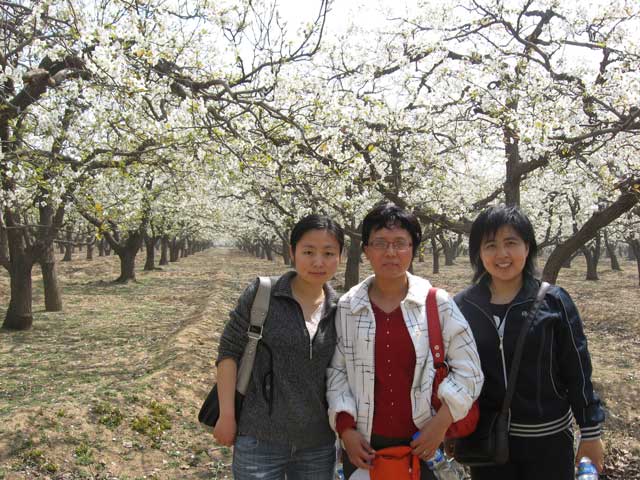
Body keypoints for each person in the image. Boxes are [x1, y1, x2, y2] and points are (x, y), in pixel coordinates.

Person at [327, 202, 483, 480]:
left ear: (413, 249)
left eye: (400, 243)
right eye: (380, 243)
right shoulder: (348, 306)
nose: (390, 252)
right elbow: (337, 371)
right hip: (365, 448)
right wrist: (346, 429)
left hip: (425, 445)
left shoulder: (437, 303)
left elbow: (469, 370)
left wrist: (441, 423)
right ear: (366, 250)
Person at [454, 204, 605, 480]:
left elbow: (578, 371)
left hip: (549, 443)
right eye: (490, 245)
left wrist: (591, 432)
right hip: (487, 444)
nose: (502, 254)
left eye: (511, 243)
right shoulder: (463, 307)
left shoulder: (554, 302)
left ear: (527, 247)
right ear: (478, 253)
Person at [213, 214, 345, 480]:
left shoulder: (341, 309)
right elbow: (229, 353)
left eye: (329, 253)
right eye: (308, 251)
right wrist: (226, 415)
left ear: (340, 257)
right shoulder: (263, 295)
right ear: (292, 252)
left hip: (317, 444)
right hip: (259, 438)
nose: (318, 262)